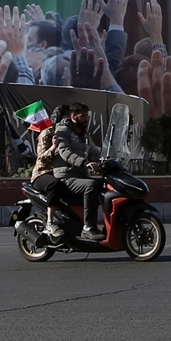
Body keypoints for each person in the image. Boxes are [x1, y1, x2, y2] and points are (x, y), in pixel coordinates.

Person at [52, 102, 104, 239]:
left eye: (87, 115)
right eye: (83, 116)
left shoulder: (84, 134)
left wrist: (109, 160)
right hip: (65, 177)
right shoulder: (62, 131)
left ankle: (102, 224)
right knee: (90, 186)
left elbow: (94, 150)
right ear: (74, 117)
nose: (87, 119)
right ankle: (88, 227)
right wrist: (85, 163)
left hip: (80, 176)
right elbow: (65, 152)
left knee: (104, 183)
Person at [31, 104, 71, 238]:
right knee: (54, 184)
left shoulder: (69, 133)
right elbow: (41, 157)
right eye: (67, 116)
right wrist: (54, 146)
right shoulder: (48, 133)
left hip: (62, 173)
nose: (69, 119)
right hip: (43, 174)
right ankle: (50, 222)